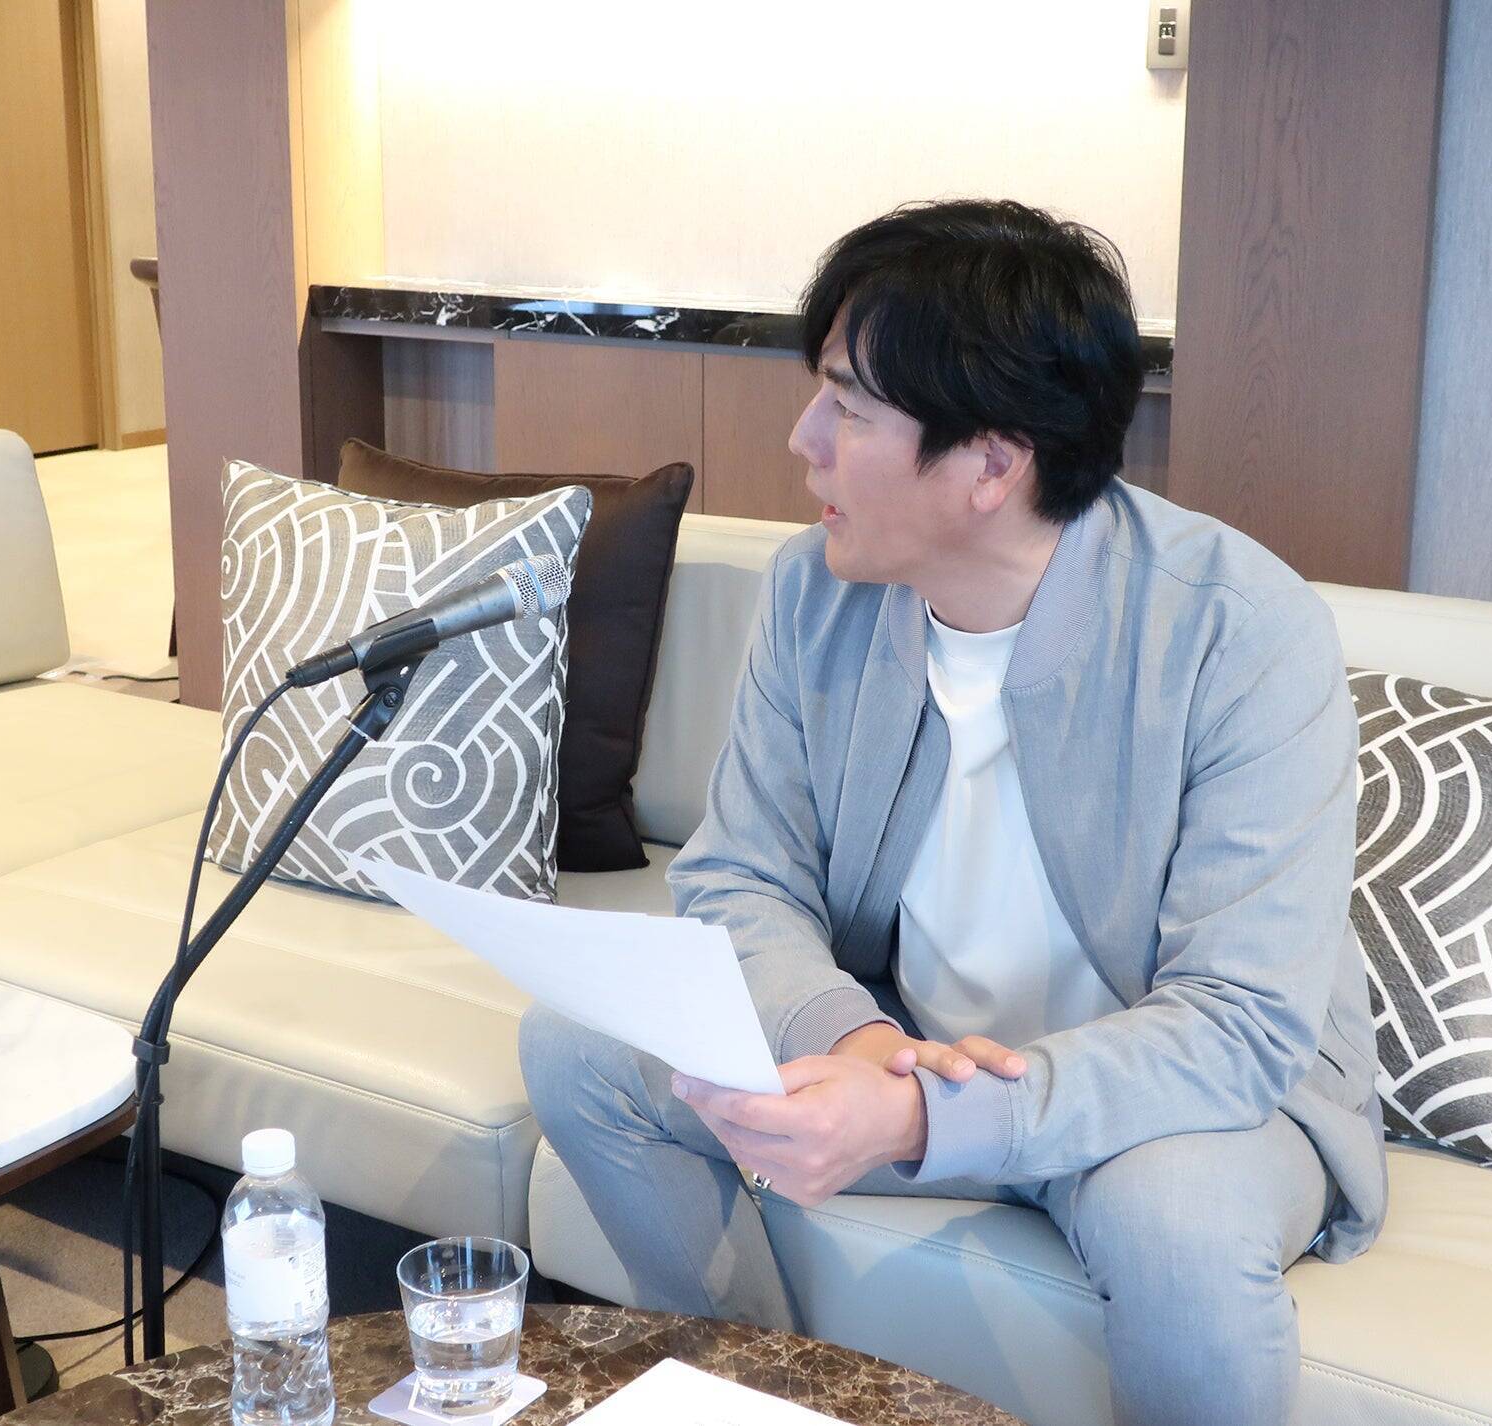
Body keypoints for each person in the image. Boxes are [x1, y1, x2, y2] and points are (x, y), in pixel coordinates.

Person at [519, 198, 1387, 1426]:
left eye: (848, 407)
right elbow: (741, 877)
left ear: (992, 461)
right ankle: (763, 1401)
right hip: (907, 1042)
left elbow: (1237, 1023)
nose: (802, 440)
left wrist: (928, 1114)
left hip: (1161, 1099)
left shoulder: (1240, 629)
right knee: (578, 1049)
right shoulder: (814, 591)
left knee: (1174, 1225)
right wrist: (857, 1046)